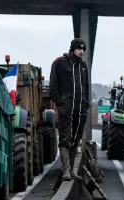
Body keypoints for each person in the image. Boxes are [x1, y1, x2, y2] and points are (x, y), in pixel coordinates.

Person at [49, 38, 90, 181]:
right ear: (73, 49)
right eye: (79, 49)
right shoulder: (60, 62)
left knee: (75, 139)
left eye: (83, 49)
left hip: (80, 110)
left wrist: (86, 105)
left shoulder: (83, 66)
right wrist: (61, 103)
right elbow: (53, 86)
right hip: (66, 109)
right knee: (65, 139)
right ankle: (65, 170)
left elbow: (86, 88)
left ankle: (72, 170)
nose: (82, 51)